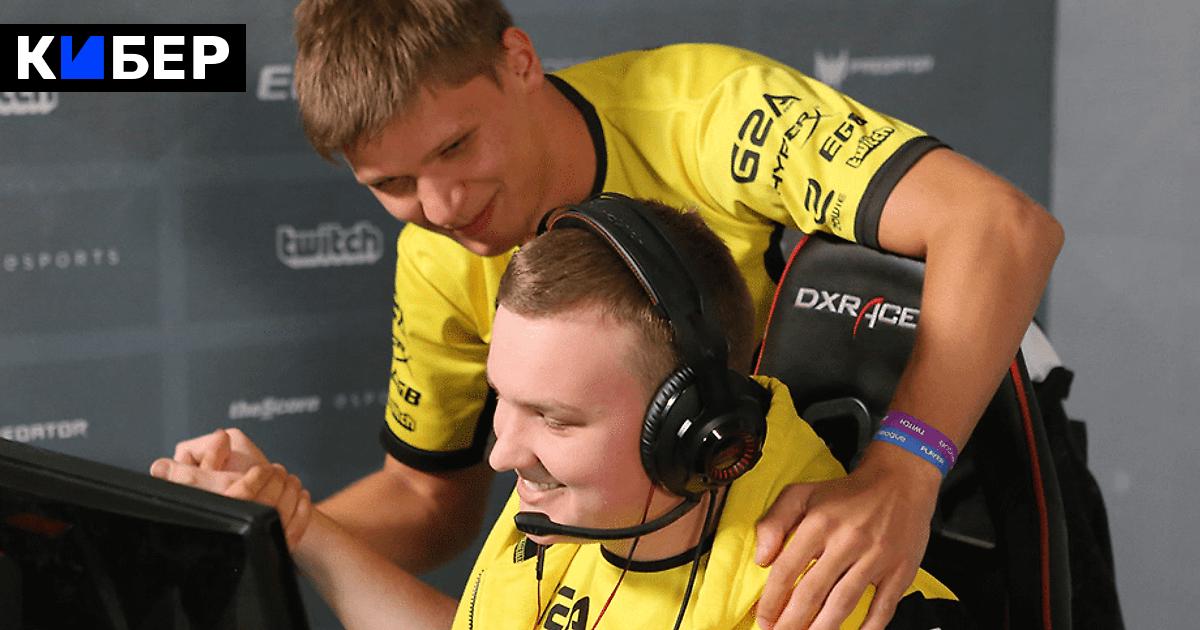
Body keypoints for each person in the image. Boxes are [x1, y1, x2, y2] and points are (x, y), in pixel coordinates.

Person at [170, 1, 1063, 627]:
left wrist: (904, 471)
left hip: (901, 475)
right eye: (394, 183)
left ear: (520, 62)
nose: (440, 206)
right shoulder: (439, 258)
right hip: (656, 546)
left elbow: (998, 225)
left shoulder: (704, 114)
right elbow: (430, 499)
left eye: (456, 146)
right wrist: (266, 521)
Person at [155, 196, 970, 629]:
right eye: (503, 401)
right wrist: (295, 526)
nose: (503, 453)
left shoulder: (828, 592)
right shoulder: (581, 507)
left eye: (555, 418)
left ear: (690, 429)